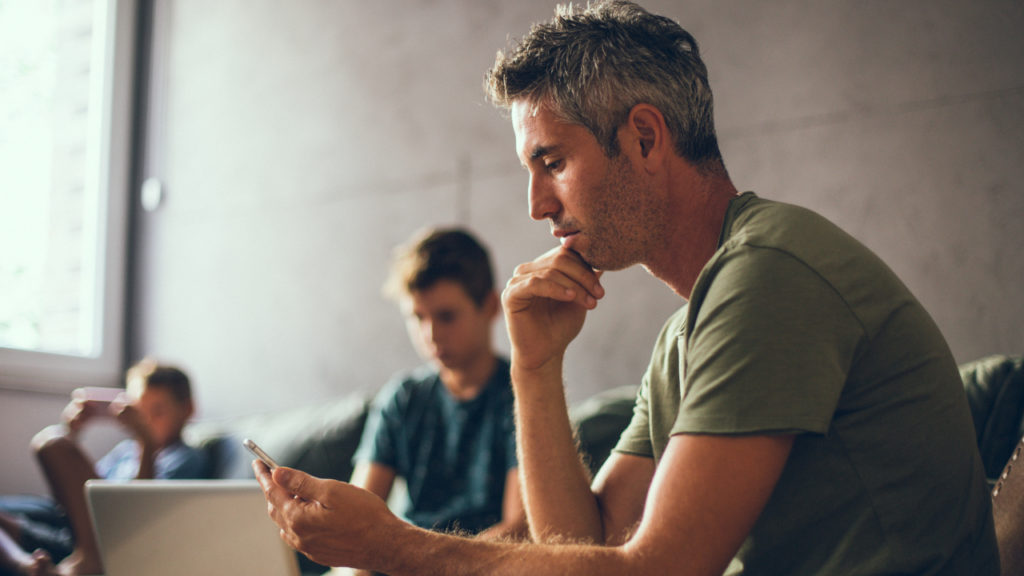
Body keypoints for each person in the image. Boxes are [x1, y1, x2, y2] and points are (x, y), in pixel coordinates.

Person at [255, 2, 1000, 574]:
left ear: (645, 138)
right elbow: (585, 543)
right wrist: (535, 369)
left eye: (551, 162)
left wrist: (400, 549)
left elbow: (660, 570)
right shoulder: (692, 328)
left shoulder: (770, 276)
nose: (536, 206)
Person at [349, 228, 526, 556]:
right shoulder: (402, 399)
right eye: (417, 317)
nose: (430, 334)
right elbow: (356, 519)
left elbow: (518, 529)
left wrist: (422, 561)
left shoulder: (522, 397)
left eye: (446, 316)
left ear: (489, 306)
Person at [0, 359, 207, 576]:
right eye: (140, 412)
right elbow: (82, 492)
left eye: (157, 411)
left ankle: (91, 558)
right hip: (74, 529)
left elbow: (142, 512)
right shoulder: (126, 451)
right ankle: (26, 565)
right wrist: (73, 432)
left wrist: (147, 444)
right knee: (56, 441)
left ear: (188, 409)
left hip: (111, 536)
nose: (147, 420)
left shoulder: (184, 458)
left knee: (52, 442)